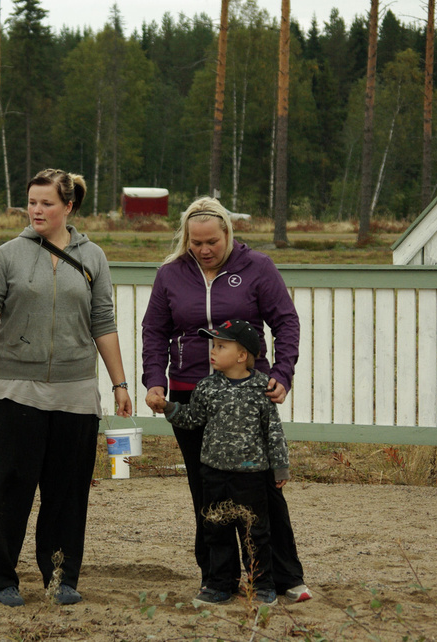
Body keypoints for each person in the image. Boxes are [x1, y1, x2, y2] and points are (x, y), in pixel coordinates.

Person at [0, 168, 133, 608]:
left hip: (75, 395)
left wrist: (119, 383)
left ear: (68, 207)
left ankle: (60, 578)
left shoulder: (94, 256)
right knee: (9, 492)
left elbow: (103, 322)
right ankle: (1, 580)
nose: (36, 211)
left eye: (46, 203)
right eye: (31, 203)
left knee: (67, 496)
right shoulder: (8, 254)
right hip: (14, 393)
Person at [141, 196, 312, 603]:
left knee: (263, 490)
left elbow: (286, 321)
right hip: (190, 392)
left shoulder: (259, 267)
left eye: (212, 242)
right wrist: (155, 381)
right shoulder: (170, 274)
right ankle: (217, 579)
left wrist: (282, 373)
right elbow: (154, 331)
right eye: (196, 242)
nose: (204, 250)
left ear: (228, 234)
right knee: (207, 490)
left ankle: (283, 577)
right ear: (186, 238)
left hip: (248, 393)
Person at [162, 319, 291, 606]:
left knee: (255, 532)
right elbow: (193, 419)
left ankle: (261, 584)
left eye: (221, 346)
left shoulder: (261, 387)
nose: (213, 351)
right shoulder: (206, 387)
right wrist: (169, 407)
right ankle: (220, 584)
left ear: (242, 355)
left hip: (251, 476)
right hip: (214, 474)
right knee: (216, 530)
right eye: (214, 345)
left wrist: (280, 467)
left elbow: (273, 431)